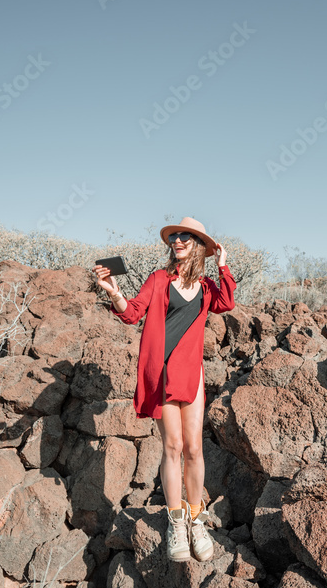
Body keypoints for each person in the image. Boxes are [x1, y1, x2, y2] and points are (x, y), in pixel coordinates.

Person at [92, 216, 236, 562]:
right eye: (175, 236)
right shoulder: (158, 279)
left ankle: (197, 520)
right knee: (172, 446)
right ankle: (175, 522)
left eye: (186, 236)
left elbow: (227, 303)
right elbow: (133, 313)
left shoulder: (205, 287)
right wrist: (114, 293)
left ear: (198, 244)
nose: (178, 241)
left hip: (192, 376)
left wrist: (223, 265)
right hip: (163, 374)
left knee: (195, 450)